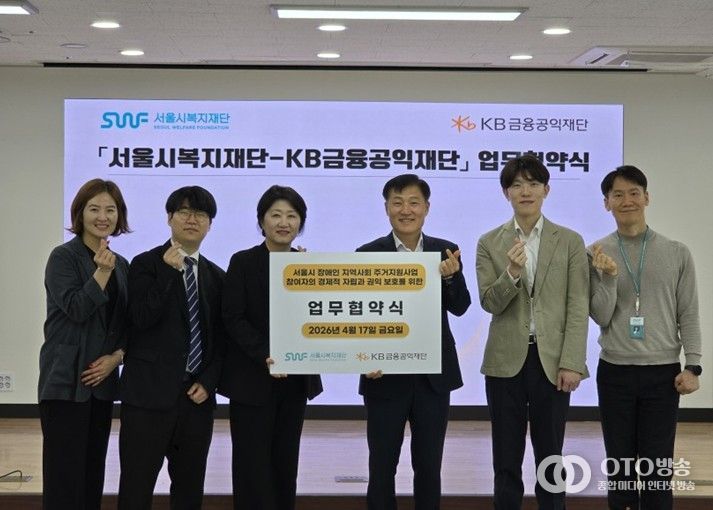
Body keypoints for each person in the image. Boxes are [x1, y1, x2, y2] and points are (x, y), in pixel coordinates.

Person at [475, 154, 589, 509]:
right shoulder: (489, 242)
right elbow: (490, 303)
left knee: (550, 454)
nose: (525, 191)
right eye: (517, 185)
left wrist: (572, 362)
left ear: (546, 190)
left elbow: (578, 306)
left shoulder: (569, 240)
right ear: (506, 193)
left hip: (551, 361)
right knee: (505, 454)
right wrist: (511, 273)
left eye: (533, 184)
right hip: (505, 361)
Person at [589, 165, 701, 510]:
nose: (627, 201)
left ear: (647, 198)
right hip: (615, 371)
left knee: (658, 467)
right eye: (618, 195)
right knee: (620, 464)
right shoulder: (595, 253)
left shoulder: (676, 252)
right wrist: (608, 277)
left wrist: (693, 366)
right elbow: (600, 316)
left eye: (634, 193)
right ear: (606, 203)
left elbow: (688, 313)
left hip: (662, 373)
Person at [356, 174, 471, 510]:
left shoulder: (444, 250)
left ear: (426, 208)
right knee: (381, 467)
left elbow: (461, 307)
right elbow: (358, 315)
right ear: (387, 208)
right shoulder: (367, 254)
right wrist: (363, 357)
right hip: (383, 376)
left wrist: (451, 277)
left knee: (429, 467)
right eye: (397, 203)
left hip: (432, 378)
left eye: (413, 202)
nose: (405, 210)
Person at [118, 186, 225, 510]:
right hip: (147, 398)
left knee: (189, 491)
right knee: (136, 489)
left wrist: (208, 381)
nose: (192, 219)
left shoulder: (217, 276)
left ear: (210, 224)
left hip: (196, 401)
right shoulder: (145, 264)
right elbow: (139, 320)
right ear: (169, 218)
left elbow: (221, 340)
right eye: (184, 212)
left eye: (201, 214)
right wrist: (167, 272)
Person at [219, 185, 323, 510]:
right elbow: (232, 317)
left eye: (292, 216)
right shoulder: (243, 261)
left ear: (300, 223)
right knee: (251, 465)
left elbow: (316, 319)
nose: (283, 222)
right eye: (275, 215)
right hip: (252, 381)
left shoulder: (307, 266)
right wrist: (266, 354)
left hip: (295, 382)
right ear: (262, 221)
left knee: (285, 464)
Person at [39, 178, 130, 510]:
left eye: (110, 210)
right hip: (66, 381)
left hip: (101, 385)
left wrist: (116, 358)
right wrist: (100, 274)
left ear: (119, 216)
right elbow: (76, 309)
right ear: (80, 213)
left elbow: (124, 324)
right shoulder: (63, 257)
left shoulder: (121, 264)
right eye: (94, 209)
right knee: (64, 478)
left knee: (92, 474)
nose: (102, 217)